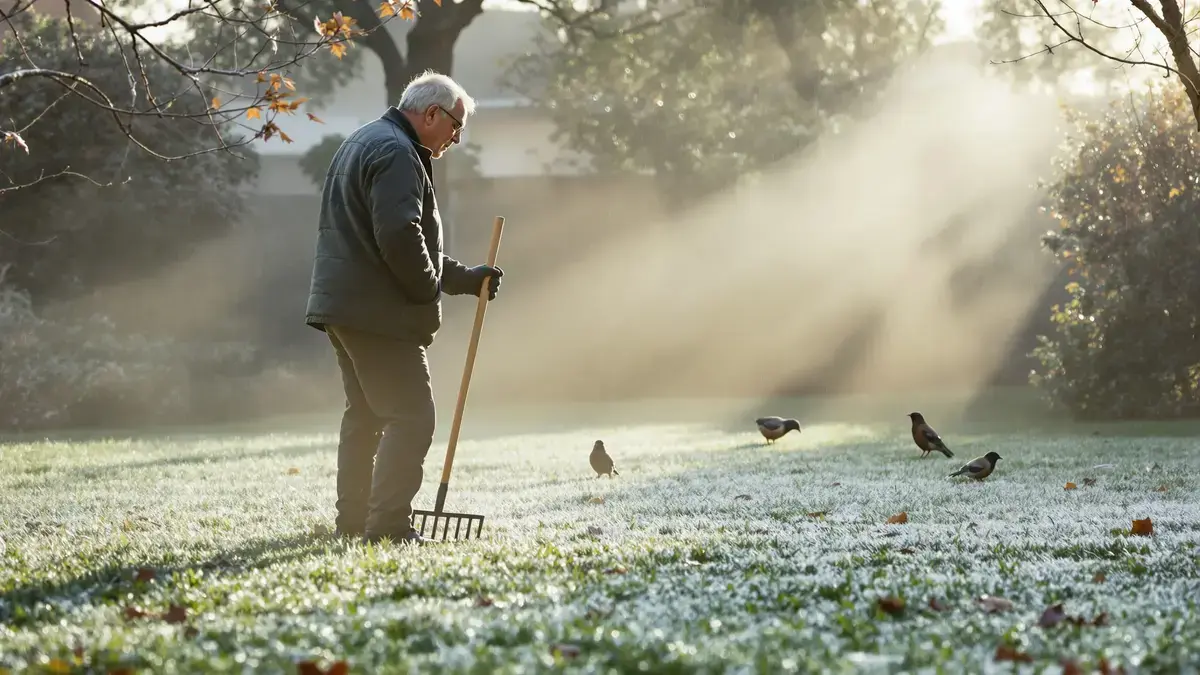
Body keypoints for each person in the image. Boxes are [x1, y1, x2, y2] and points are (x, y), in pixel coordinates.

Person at [303, 71, 503, 545]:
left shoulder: (368, 140)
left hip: (345, 305)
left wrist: (465, 278)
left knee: (367, 416)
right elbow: (398, 235)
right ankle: (388, 528)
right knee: (412, 416)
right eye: (456, 126)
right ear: (431, 113)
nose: (456, 138)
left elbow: (392, 240)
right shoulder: (396, 152)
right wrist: (426, 290)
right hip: (377, 313)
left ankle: (353, 523)